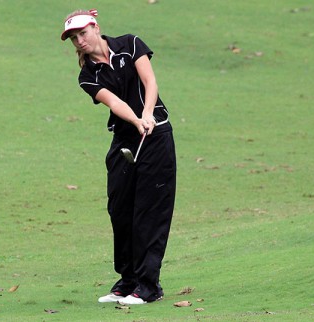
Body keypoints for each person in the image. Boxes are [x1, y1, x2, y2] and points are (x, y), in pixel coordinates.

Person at [61, 9, 177, 305]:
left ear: (95, 28)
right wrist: (137, 121)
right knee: (120, 210)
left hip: (157, 136)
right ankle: (127, 281)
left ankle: (149, 286)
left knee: (149, 213)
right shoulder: (87, 75)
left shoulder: (130, 43)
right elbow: (114, 102)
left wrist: (148, 115)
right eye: (74, 39)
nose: (80, 41)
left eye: (83, 34)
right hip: (126, 139)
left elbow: (150, 82)